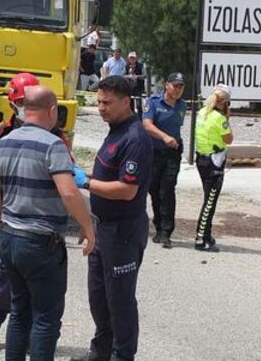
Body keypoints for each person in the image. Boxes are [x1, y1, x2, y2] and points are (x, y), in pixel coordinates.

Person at [0, 85, 96, 361]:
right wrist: (88, 225)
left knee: (20, 312)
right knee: (46, 318)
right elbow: (68, 191)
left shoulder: (5, 141)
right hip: (41, 243)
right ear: (52, 110)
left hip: (10, 237)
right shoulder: (53, 144)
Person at [71, 76, 152, 361]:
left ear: (126, 102)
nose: (100, 107)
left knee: (120, 299)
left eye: (107, 102)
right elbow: (108, 175)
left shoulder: (135, 138)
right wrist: (89, 218)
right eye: (99, 101)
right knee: (99, 296)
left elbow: (126, 190)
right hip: (103, 226)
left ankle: (122, 354)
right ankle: (100, 351)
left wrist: (85, 183)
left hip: (123, 231)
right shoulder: (114, 130)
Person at [0, 72, 54, 343]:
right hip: (9, 215)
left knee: (39, 282)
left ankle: (33, 333)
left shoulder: (53, 137)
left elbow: (65, 176)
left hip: (41, 219)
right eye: (21, 101)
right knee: (5, 273)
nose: (26, 107)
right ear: (13, 104)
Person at [142, 72, 186, 249]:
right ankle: (158, 226)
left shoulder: (182, 105)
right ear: (167, 85)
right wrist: (164, 136)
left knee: (167, 190)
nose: (178, 89)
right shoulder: (153, 102)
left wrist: (171, 140)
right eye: (175, 85)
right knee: (153, 188)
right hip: (153, 152)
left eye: (181, 86)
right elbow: (146, 125)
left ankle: (166, 232)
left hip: (172, 153)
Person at [193, 84, 233, 252]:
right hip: (214, 161)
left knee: (208, 199)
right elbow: (229, 139)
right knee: (210, 202)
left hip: (201, 159)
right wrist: (227, 118)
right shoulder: (220, 118)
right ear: (224, 102)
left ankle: (206, 235)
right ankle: (201, 239)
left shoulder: (201, 112)